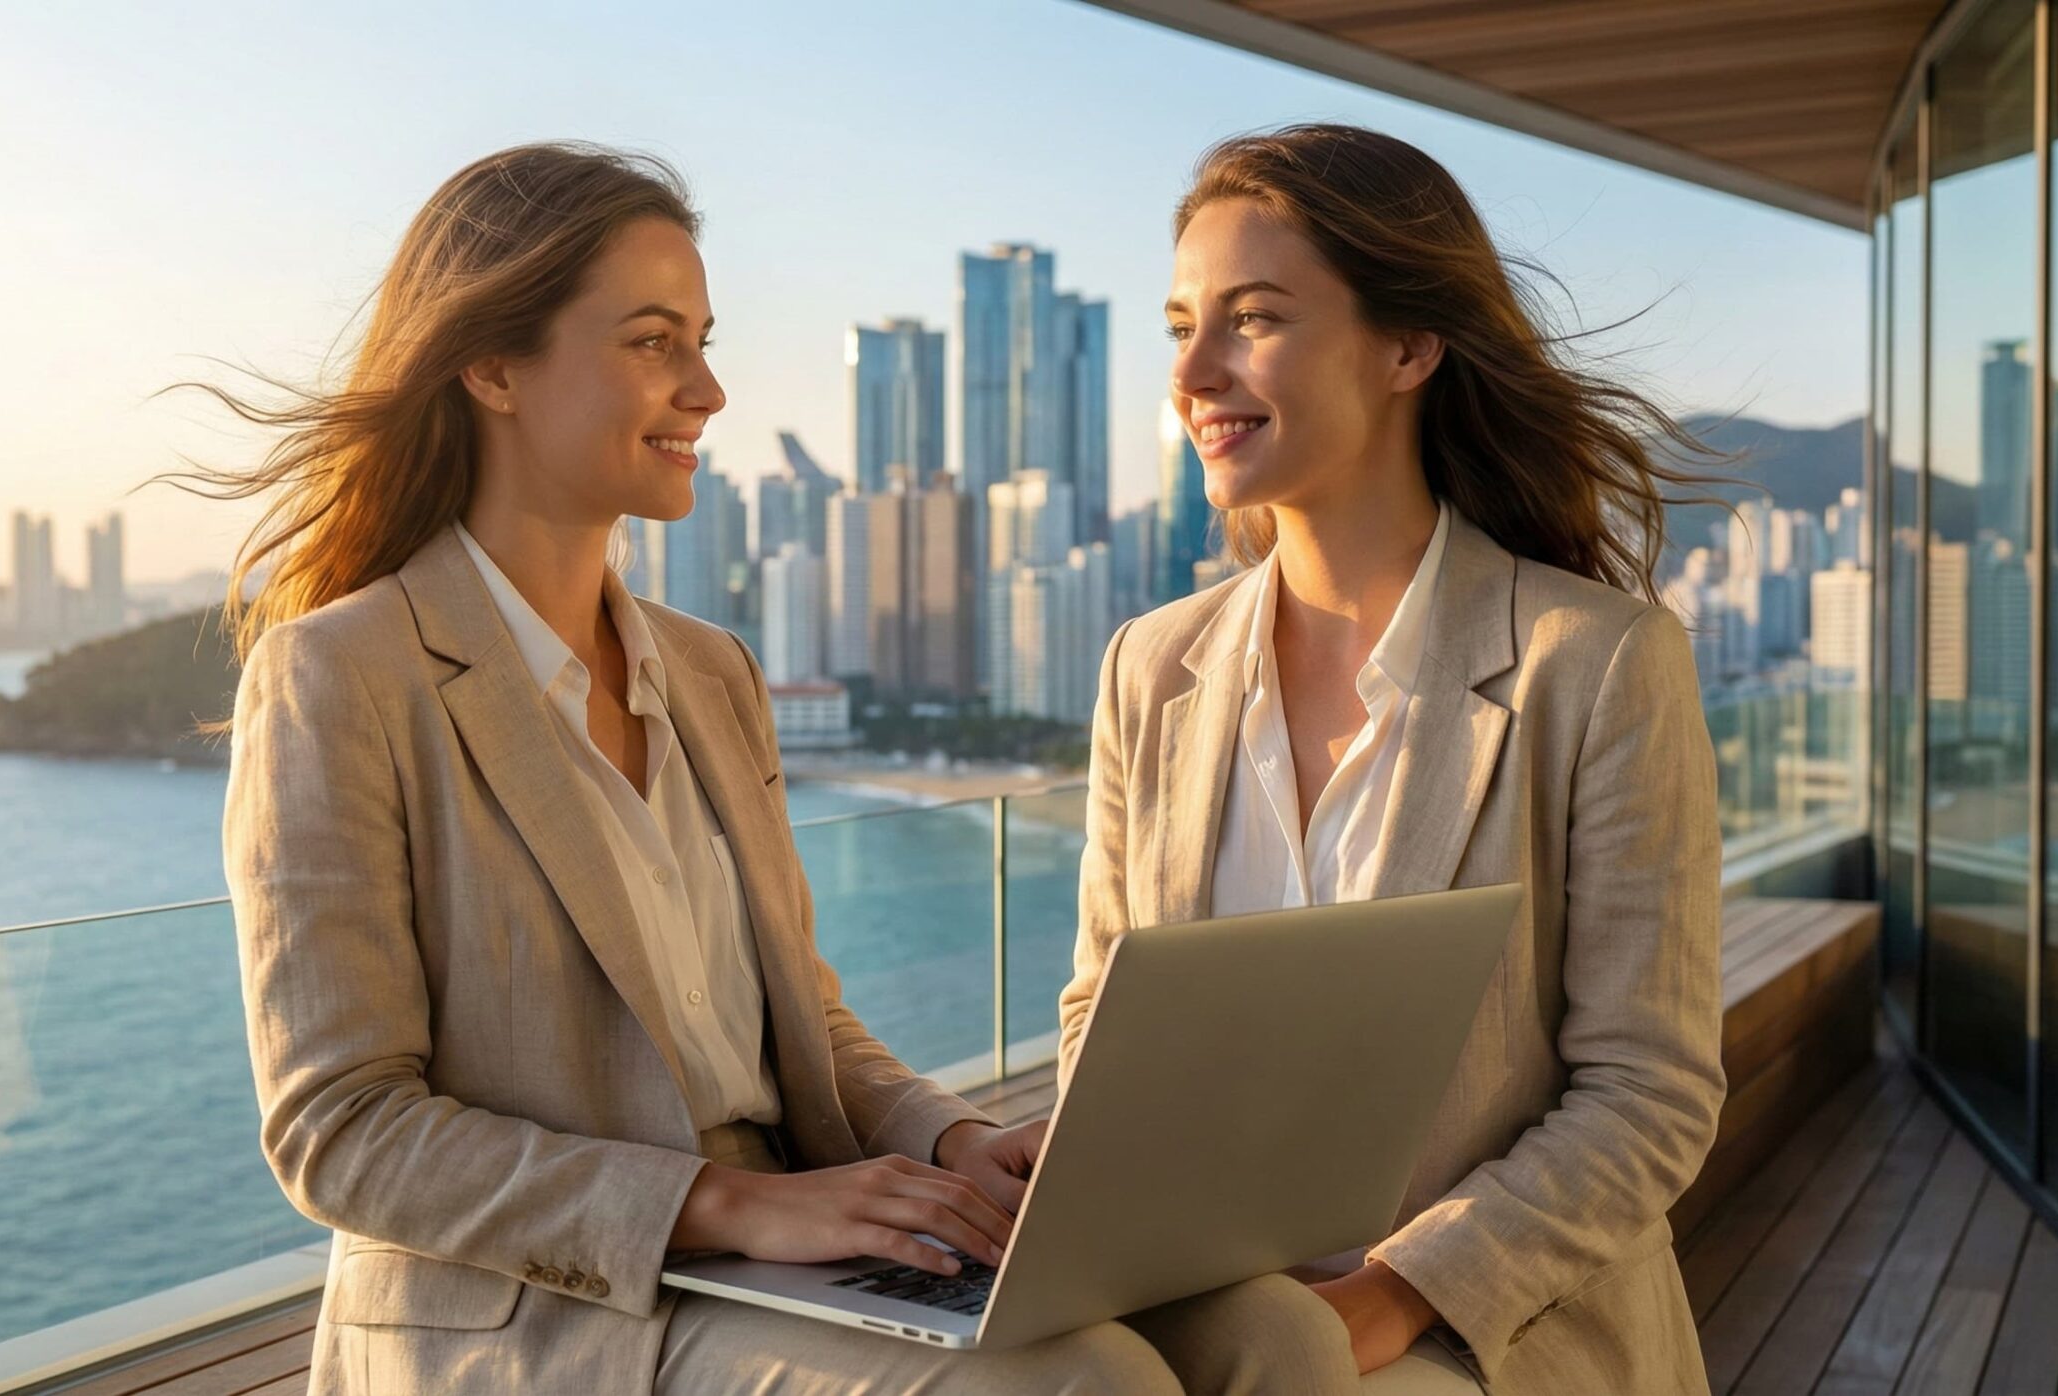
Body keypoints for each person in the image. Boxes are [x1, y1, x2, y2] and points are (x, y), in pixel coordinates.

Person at [206, 141, 1351, 1395]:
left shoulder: (711, 673)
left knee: (1276, 1334)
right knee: (1075, 1385)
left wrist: (954, 1138)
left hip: (786, 1237)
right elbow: (344, 1129)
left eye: (703, 340)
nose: (707, 388)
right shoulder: (342, 676)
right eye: (653, 341)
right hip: (536, 1310)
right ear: (490, 364)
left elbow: (807, 1026)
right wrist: (725, 1202)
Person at [1047, 123, 1733, 1393]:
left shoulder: (1595, 663)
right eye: (1180, 324)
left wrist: (1390, 1297)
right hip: (1197, 1311)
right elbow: (1102, 1012)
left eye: (1252, 318)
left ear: (1409, 347)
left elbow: (1648, 1093)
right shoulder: (1152, 667)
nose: (1194, 370)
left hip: (1491, 1325)